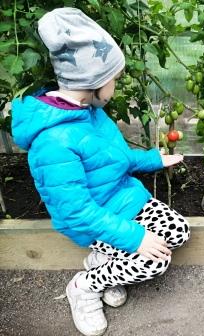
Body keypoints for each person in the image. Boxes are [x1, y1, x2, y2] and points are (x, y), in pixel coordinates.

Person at [11, 8, 190, 336]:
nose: (116, 86)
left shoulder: (89, 111)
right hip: (92, 218)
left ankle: (106, 264)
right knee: (155, 259)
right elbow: (77, 211)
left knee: (178, 231)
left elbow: (112, 159)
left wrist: (151, 160)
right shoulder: (54, 142)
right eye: (115, 79)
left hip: (120, 198)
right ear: (92, 82)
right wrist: (136, 238)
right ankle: (85, 286)